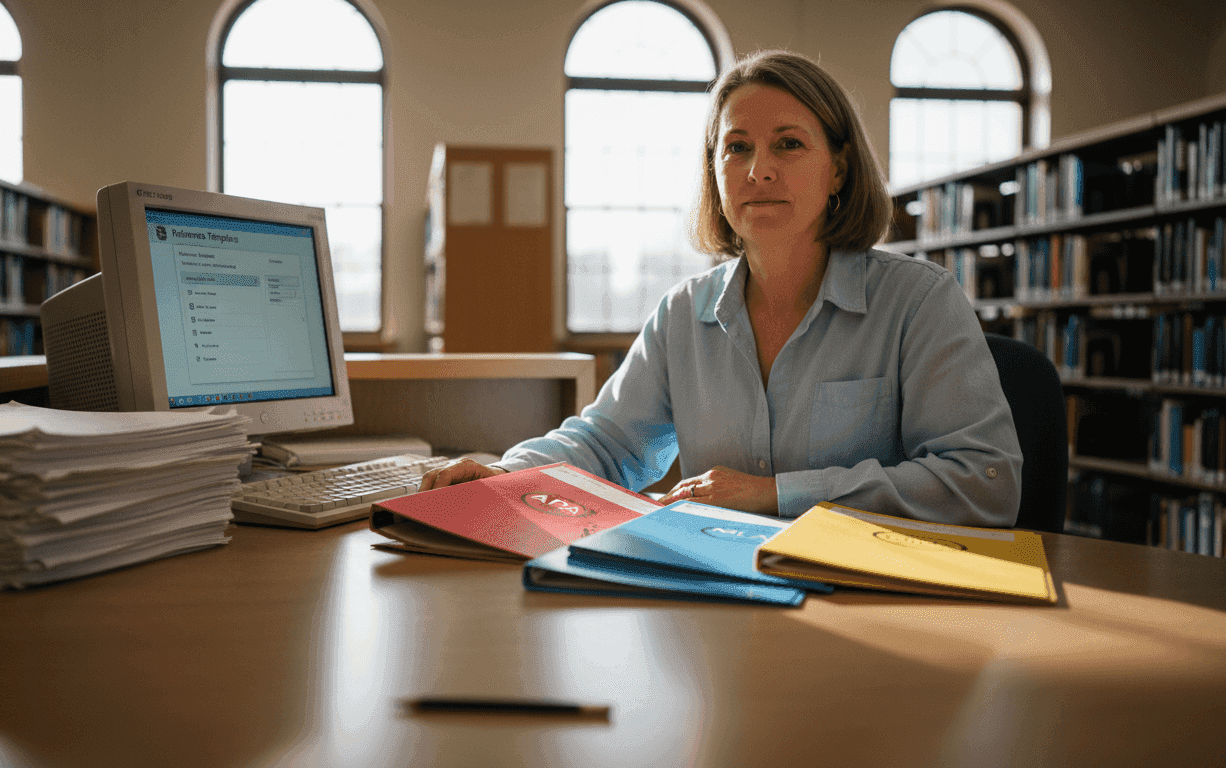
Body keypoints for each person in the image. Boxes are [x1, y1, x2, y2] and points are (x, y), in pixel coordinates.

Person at [420, 50, 1022, 527]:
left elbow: (984, 482)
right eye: (737, 147)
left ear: (838, 167)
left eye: (789, 144)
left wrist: (774, 494)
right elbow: (607, 443)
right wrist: (506, 472)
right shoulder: (684, 314)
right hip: (722, 597)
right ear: (715, 170)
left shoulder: (918, 302)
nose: (760, 169)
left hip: (875, 607)